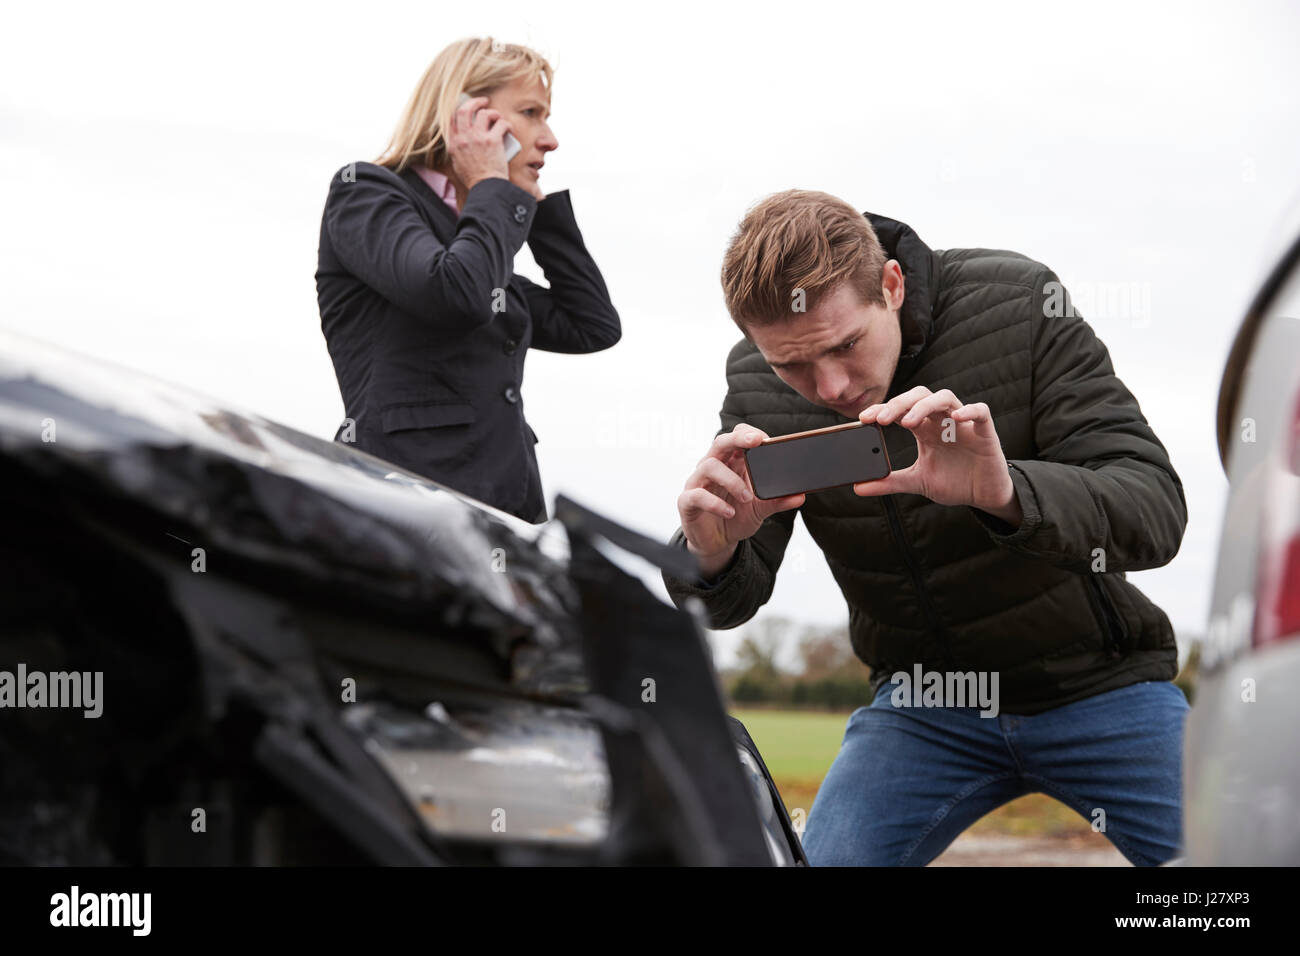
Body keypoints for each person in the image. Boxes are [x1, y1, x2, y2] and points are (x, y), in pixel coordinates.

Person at [661, 189, 1190, 866]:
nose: (829, 388)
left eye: (846, 344)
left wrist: (1007, 494)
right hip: (921, 707)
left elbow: (1156, 508)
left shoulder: (1020, 302)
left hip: (1097, 685)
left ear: (891, 283)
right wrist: (710, 554)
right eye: (790, 364)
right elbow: (728, 595)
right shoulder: (757, 385)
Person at [315, 37, 620, 523]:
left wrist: (536, 212)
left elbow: (592, 325)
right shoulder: (365, 192)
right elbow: (455, 294)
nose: (550, 138)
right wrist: (492, 189)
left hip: (509, 513)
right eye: (532, 112)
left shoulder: (477, 236)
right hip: (404, 507)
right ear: (465, 114)